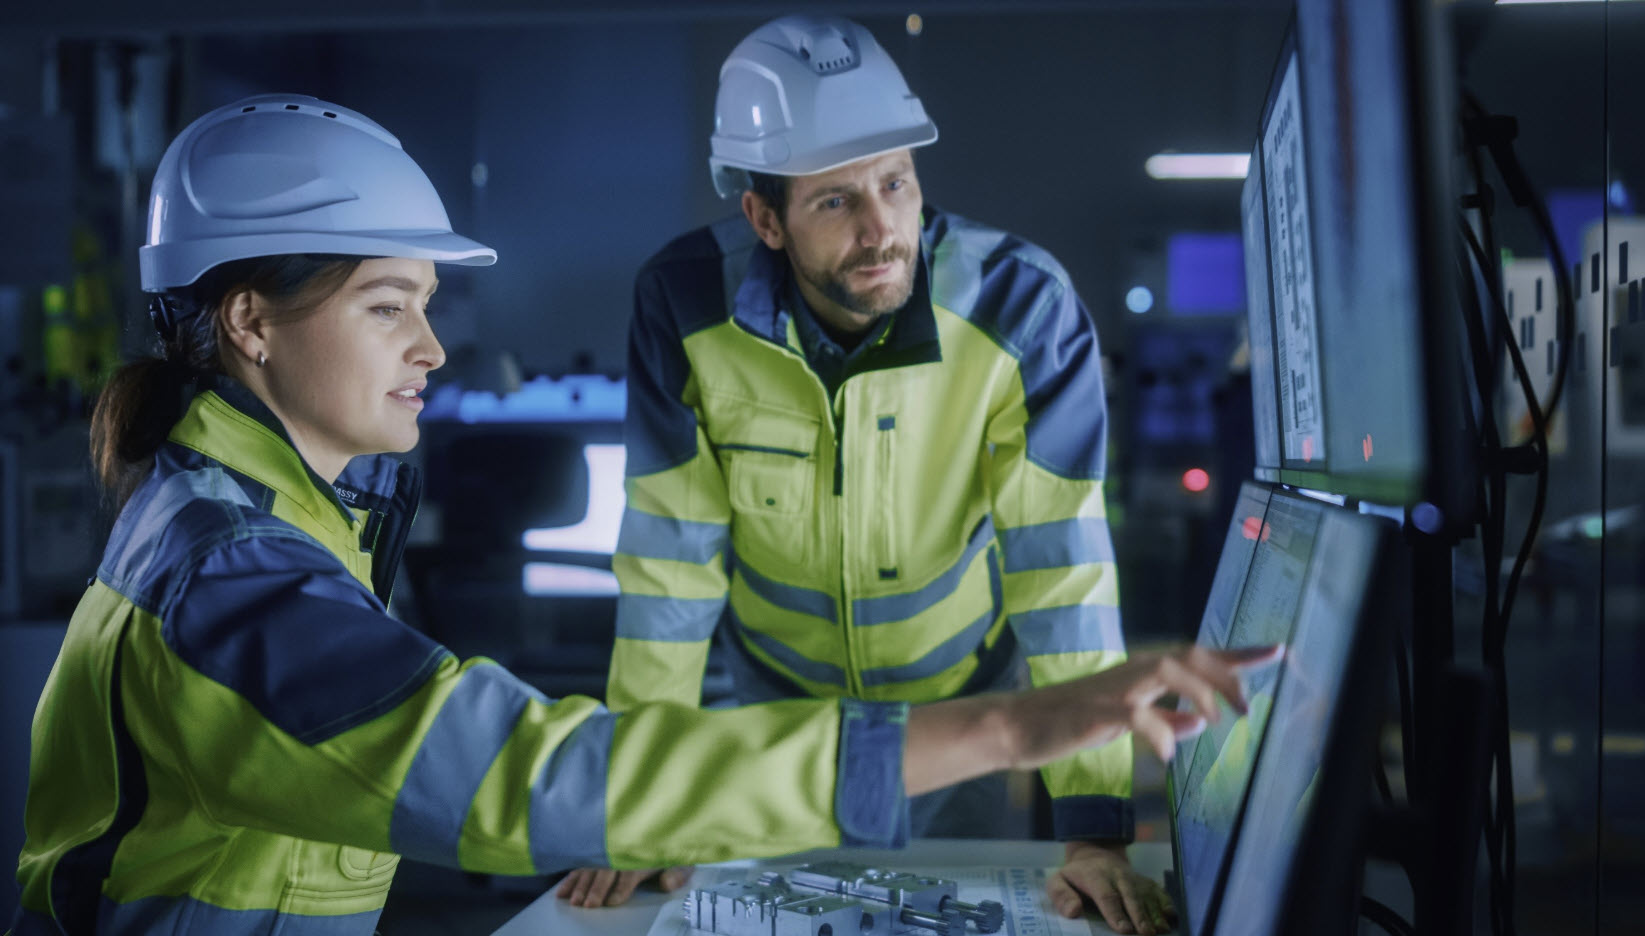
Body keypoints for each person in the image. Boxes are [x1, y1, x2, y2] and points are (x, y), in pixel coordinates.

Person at [8, 93, 1275, 936]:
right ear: (248, 323)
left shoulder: (261, 515)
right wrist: (1014, 725)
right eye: (389, 305)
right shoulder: (230, 578)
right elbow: (520, 768)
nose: (435, 349)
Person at [572, 13, 1174, 935]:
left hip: (959, 710)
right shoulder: (683, 304)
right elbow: (669, 569)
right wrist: (646, 801)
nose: (882, 226)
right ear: (763, 218)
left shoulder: (1024, 307)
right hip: (772, 715)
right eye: (834, 201)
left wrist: (1093, 828)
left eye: (896, 181)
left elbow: (1062, 575)